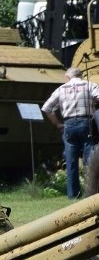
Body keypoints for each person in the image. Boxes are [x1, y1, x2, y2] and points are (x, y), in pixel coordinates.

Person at [42, 66, 99, 199]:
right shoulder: (89, 85)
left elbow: (46, 108)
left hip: (69, 125)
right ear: (81, 76)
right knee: (89, 160)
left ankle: (73, 195)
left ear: (68, 77)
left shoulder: (61, 89)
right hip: (86, 123)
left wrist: (57, 124)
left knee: (71, 160)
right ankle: (90, 193)